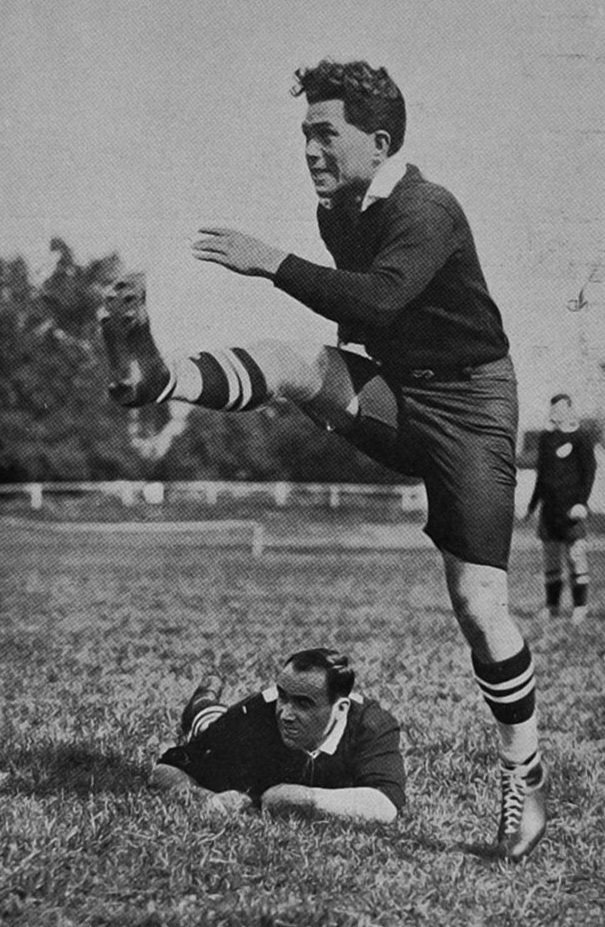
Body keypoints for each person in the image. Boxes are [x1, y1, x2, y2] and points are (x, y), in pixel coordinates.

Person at [100, 59, 546, 859]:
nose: (308, 148)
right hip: (402, 391)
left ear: (378, 142)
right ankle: (157, 377)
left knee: (480, 607)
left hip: (474, 409)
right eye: (304, 132)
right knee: (296, 361)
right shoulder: (339, 205)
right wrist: (335, 388)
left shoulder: (427, 205)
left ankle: (524, 772)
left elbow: (377, 299)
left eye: (324, 132)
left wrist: (270, 261)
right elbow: (361, 322)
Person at [150, 648, 405, 824]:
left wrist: (305, 800)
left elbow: (385, 803)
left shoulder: (372, 725)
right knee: (206, 723)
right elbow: (164, 769)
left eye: (303, 704)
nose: (285, 714)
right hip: (222, 725)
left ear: (340, 709)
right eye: (282, 696)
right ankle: (203, 700)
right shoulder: (256, 713)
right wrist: (207, 798)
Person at [526, 393, 597, 624]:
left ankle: (580, 607)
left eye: (561, 408)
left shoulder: (581, 437)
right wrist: (532, 505)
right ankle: (552, 606)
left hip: (571, 508)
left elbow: (589, 473)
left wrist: (581, 502)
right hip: (550, 510)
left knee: (576, 556)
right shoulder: (546, 438)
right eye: (553, 409)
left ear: (570, 410)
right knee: (550, 559)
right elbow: (541, 475)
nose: (557, 413)